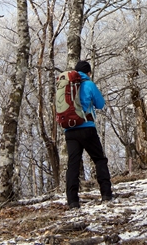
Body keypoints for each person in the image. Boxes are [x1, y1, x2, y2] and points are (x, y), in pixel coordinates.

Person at [64, 60, 112, 209]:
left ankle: (72, 201)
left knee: (73, 165)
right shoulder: (89, 84)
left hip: (70, 130)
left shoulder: (67, 86)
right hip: (87, 128)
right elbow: (100, 104)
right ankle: (106, 194)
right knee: (99, 159)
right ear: (88, 73)